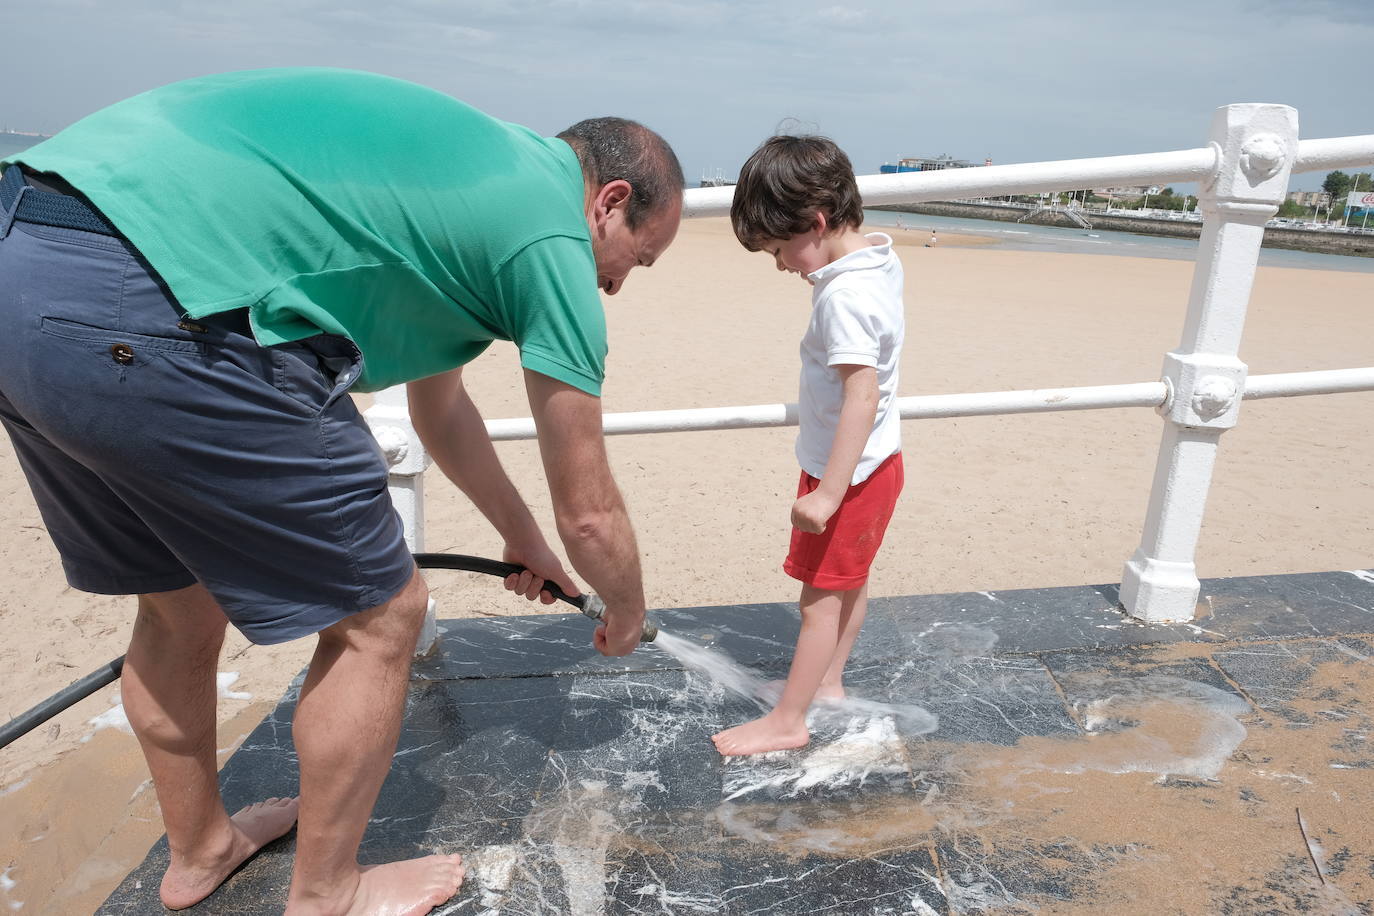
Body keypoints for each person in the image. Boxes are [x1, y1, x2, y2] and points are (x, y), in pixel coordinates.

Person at [0, 68, 681, 914]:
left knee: (178, 604)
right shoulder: (552, 239)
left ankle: (201, 851)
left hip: (25, 256)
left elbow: (443, 411)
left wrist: (521, 537)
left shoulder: (476, 182)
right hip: (156, 294)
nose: (617, 283)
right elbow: (589, 508)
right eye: (635, 259)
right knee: (382, 616)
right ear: (608, 202)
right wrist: (625, 609)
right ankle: (327, 894)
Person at [713, 135, 905, 757]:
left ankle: (788, 720)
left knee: (817, 600)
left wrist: (827, 492)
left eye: (777, 249)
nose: (779, 265)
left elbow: (861, 396)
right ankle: (826, 684)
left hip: (844, 475)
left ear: (816, 224)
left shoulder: (844, 296)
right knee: (849, 582)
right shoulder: (877, 261)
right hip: (877, 465)